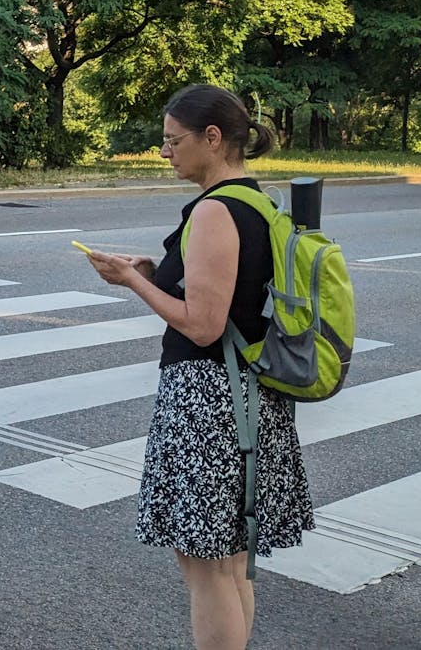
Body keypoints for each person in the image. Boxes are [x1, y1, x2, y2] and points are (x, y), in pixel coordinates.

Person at [85, 84, 312, 650]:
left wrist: (134, 281)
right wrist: (155, 267)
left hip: (210, 400)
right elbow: (234, 291)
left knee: (206, 567)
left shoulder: (214, 209)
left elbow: (205, 323)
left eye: (172, 140)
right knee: (232, 561)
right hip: (247, 395)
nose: (165, 152)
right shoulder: (257, 202)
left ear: (213, 138)